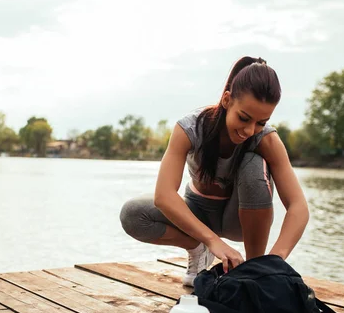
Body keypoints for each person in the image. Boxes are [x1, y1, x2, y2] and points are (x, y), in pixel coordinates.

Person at [119, 56, 309, 286]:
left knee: (252, 164)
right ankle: (197, 249)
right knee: (133, 214)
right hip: (197, 212)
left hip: (238, 219)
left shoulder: (267, 140)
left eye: (261, 122)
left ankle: (255, 268)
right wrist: (210, 241)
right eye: (244, 118)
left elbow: (298, 206)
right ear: (227, 99)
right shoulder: (190, 128)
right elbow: (164, 195)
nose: (250, 130)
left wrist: (275, 259)